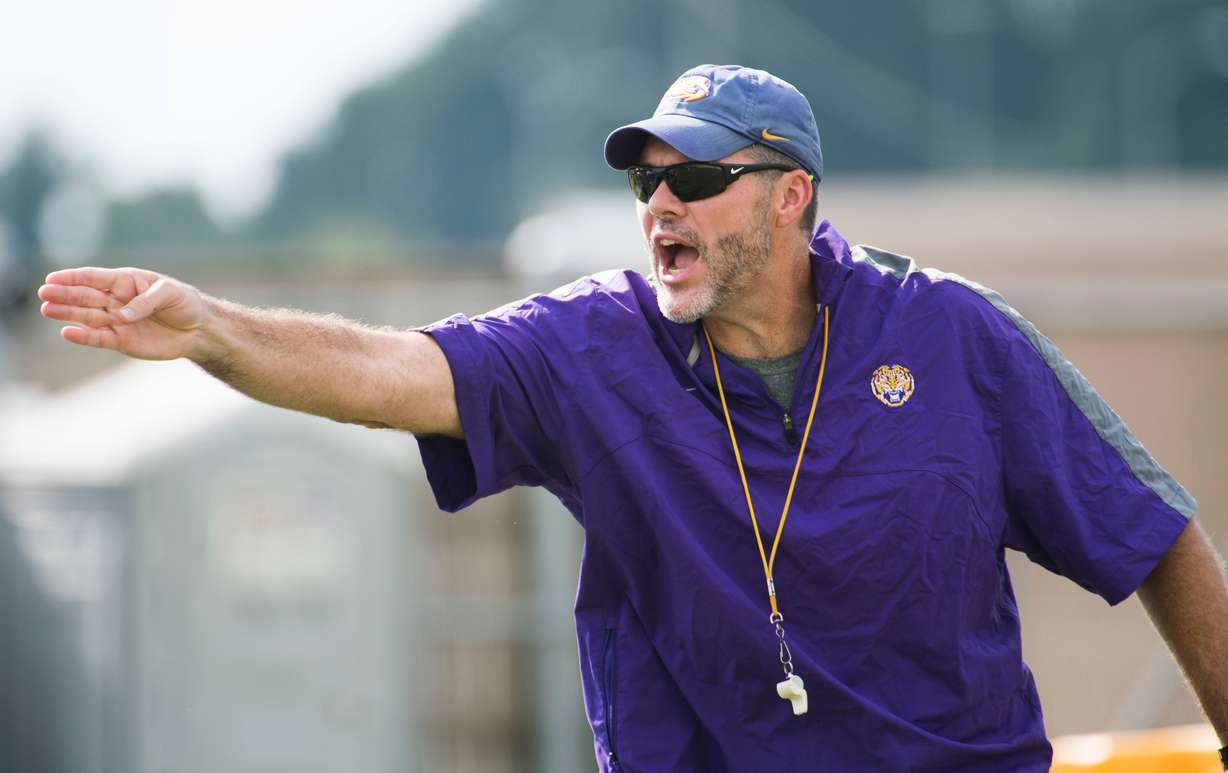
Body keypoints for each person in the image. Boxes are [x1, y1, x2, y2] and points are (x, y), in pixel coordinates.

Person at [38, 64, 1228, 772]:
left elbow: (1157, 531)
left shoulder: (957, 337)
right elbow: (389, 369)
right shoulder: (588, 342)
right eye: (644, 180)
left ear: (791, 197)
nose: (660, 202)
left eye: (696, 179)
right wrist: (211, 331)